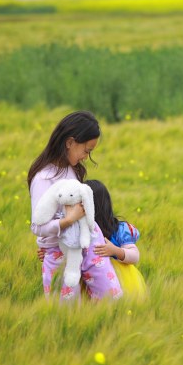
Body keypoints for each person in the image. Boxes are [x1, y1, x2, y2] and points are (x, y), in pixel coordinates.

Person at [28, 111, 123, 301]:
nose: (86, 157)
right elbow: (37, 226)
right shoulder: (43, 178)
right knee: (64, 313)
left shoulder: (72, 171)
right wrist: (68, 221)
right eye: (86, 150)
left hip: (88, 248)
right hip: (59, 254)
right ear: (70, 142)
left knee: (111, 300)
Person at [87, 179, 148, 299]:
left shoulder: (119, 230)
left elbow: (135, 256)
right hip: (89, 277)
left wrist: (115, 251)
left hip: (119, 280)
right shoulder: (79, 230)